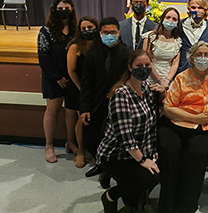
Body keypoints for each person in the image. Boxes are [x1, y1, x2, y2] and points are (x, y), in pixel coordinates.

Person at [158, 41, 208, 213]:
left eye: (205, 55)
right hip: (176, 123)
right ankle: (167, 205)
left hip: (206, 127)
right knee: (169, 150)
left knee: (197, 153)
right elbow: (167, 108)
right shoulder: (182, 77)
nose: (202, 58)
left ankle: (186, 206)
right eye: (198, 55)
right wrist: (194, 117)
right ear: (191, 58)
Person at [97, 50, 160, 213]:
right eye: (139, 66)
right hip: (116, 155)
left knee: (162, 166)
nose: (144, 69)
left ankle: (131, 193)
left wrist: (152, 153)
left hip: (137, 151)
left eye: (147, 65)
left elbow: (150, 125)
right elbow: (126, 138)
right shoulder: (121, 95)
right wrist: (143, 160)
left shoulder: (145, 87)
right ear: (130, 68)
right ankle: (111, 195)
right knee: (151, 176)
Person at [80, 17, 130, 182]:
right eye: (106, 33)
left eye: (113, 33)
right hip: (97, 103)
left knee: (115, 139)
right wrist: (85, 109)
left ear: (119, 33)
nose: (110, 36)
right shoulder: (92, 55)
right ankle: (103, 165)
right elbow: (86, 84)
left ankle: (110, 169)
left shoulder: (127, 54)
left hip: (119, 103)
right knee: (89, 136)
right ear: (100, 34)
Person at [38, 0, 78, 163]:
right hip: (53, 78)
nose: (63, 11)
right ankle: (49, 145)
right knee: (52, 110)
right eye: (60, 9)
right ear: (54, 10)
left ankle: (70, 141)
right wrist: (57, 77)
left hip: (72, 78)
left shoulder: (76, 29)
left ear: (72, 9)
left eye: (66, 9)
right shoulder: (46, 30)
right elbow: (43, 56)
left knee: (71, 111)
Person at [67, 16, 101, 168]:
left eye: (90, 27)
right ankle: (81, 152)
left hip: (96, 88)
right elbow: (71, 71)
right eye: (84, 28)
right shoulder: (75, 46)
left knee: (97, 121)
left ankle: (95, 152)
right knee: (82, 120)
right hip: (79, 88)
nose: (87, 31)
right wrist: (82, 89)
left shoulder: (100, 44)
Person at [142, 7, 182, 90]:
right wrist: (160, 80)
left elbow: (175, 64)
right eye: (168, 18)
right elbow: (146, 61)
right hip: (150, 77)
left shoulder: (178, 41)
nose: (170, 21)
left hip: (167, 80)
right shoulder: (150, 37)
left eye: (174, 19)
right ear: (162, 18)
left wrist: (166, 81)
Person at [178, 0, 208, 73]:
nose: (196, 10)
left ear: (205, 9)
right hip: (182, 72)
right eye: (193, 7)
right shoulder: (179, 25)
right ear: (188, 8)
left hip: (204, 74)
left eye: (200, 8)